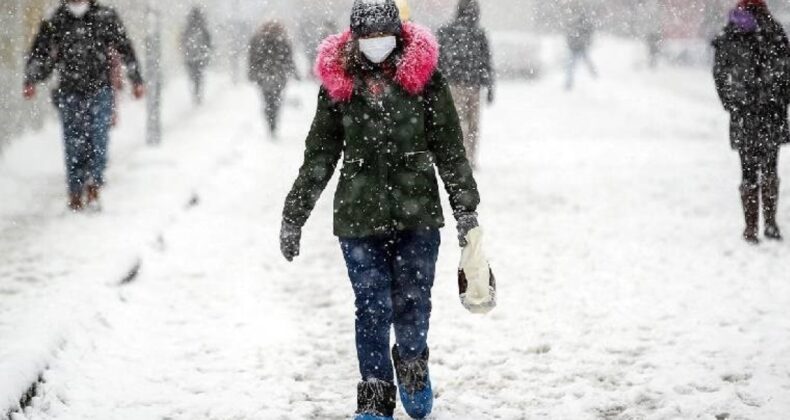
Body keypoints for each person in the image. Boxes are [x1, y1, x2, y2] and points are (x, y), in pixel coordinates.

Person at [280, 0, 482, 418]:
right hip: (358, 217)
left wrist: (467, 213)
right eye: (367, 38)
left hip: (418, 215)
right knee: (371, 305)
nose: (376, 44)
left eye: (382, 36)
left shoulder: (425, 80)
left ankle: (412, 367)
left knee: (413, 300)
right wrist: (293, 215)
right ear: (355, 38)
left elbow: (450, 150)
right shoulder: (340, 85)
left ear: (397, 34)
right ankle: (374, 397)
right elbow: (319, 155)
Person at [23, 0, 144, 211]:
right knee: (74, 143)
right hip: (69, 91)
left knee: (98, 139)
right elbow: (40, 54)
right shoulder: (56, 19)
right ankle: (75, 190)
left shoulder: (105, 16)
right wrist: (31, 79)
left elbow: (125, 48)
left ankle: (94, 184)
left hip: (100, 89)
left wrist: (136, 79)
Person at [713, 0, 790, 243]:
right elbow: (786, 71)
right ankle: (768, 223)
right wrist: (781, 98)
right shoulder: (774, 32)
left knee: (748, 170)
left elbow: (720, 73)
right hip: (769, 112)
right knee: (769, 168)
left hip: (747, 112)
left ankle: (751, 227)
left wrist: (732, 102)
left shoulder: (732, 33)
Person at [437, 0, 494, 170]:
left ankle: (459, 157)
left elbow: (438, 61)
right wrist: (490, 87)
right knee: (473, 125)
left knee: (457, 122)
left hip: (453, 85)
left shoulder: (446, 31)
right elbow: (487, 62)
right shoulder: (479, 34)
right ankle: (470, 158)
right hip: (474, 86)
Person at [248, 21, 298, 138]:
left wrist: (252, 72)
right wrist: (294, 73)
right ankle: (273, 121)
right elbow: (289, 59)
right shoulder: (283, 40)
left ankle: (270, 120)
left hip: (264, 76)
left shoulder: (258, 40)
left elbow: (253, 58)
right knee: (276, 101)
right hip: (279, 77)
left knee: (267, 100)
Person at [182, 7, 212, 105]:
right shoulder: (202, 27)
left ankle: (196, 92)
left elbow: (183, 41)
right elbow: (208, 41)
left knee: (194, 76)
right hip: (199, 57)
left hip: (190, 57)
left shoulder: (188, 27)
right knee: (198, 76)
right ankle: (197, 93)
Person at [565, 12, 598, 90]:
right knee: (574, 65)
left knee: (571, 66)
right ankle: (594, 75)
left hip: (577, 48)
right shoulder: (583, 27)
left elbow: (569, 36)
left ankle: (569, 83)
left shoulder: (576, 26)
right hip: (578, 48)